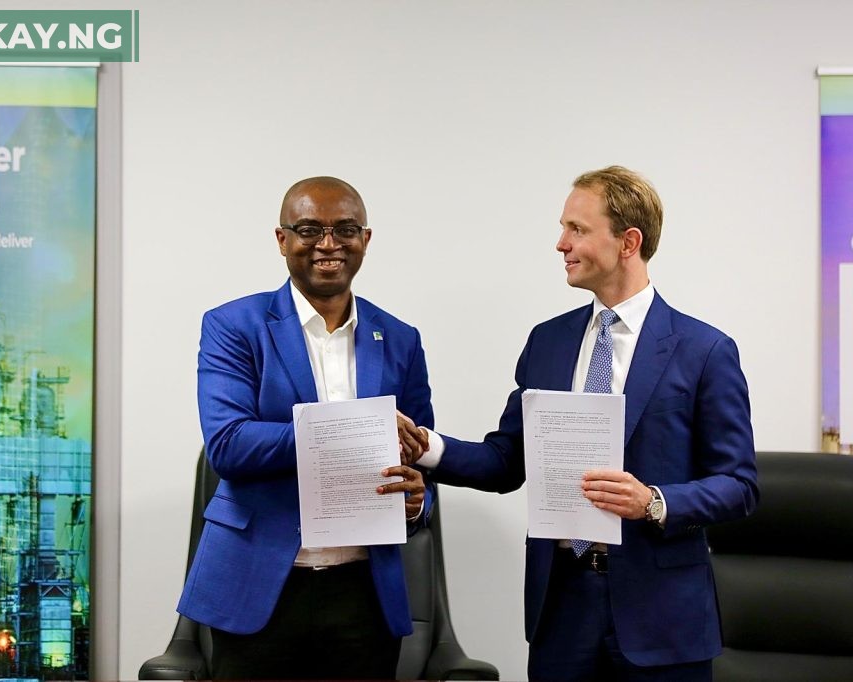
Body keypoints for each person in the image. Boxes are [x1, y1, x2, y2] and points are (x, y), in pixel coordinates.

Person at [407, 166, 758, 681]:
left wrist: (654, 502)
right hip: (561, 606)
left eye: (577, 229)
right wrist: (425, 447)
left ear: (627, 242)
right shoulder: (547, 342)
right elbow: (506, 462)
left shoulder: (704, 351)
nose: (560, 243)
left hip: (662, 618)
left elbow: (739, 485)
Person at [178, 176, 435, 679]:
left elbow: (418, 455)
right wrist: (347, 433)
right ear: (282, 240)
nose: (328, 244)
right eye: (309, 229)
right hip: (260, 587)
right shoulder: (234, 325)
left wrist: (417, 501)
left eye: (345, 229)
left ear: (366, 238)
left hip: (364, 593)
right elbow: (228, 445)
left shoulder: (400, 338)